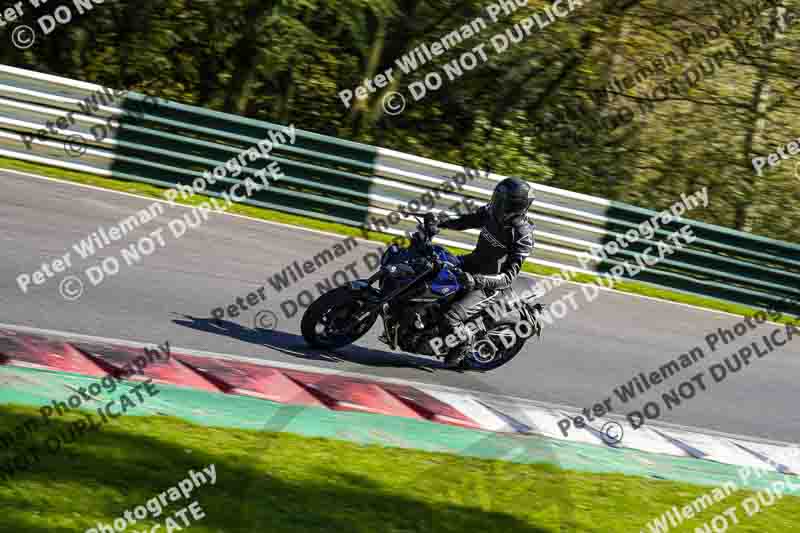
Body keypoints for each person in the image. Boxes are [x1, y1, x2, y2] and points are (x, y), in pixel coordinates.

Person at [434, 177, 535, 368]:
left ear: (515, 205)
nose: (495, 202)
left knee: (451, 318)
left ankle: (463, 343)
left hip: (489, 285)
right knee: (433, 265)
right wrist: (441, 222)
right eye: (496, 197)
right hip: (470, 263)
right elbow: (466, 221)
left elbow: (508, 278)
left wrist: (477, 280)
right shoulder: (491, 213)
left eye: (501, 200)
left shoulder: (522, 235)